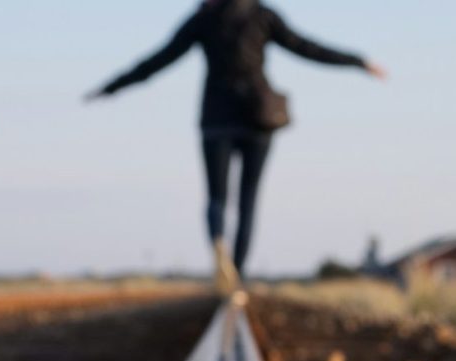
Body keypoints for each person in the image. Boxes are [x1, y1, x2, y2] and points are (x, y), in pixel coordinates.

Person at [87, 0, 386, 301]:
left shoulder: (203, 18)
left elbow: (159, 60)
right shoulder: (262, 16)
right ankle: (237, 277)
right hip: (257, 116)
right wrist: (358, 62)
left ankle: (219, 242)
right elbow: (308, 48)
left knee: (217, 198)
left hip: (215, 118)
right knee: (248, 200)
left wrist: (112, 86)